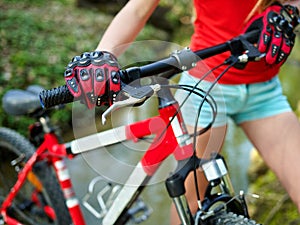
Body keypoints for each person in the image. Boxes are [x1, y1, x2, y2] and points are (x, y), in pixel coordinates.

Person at [64, 0, 300, 224]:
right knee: (193, 203)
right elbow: (138, 9)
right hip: (205, 87)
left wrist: (287, 11)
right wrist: (103, 55)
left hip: (265, 90)